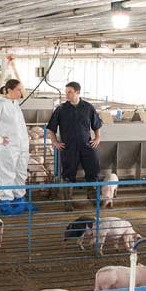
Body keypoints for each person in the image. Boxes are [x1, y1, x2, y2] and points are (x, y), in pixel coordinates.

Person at [0, 79, 36, 216]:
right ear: (9, 90)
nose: (21, 92)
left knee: (21, 173)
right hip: (7, 147)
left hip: (21, 146)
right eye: (18, 90)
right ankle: (5, 205)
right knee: (7, 174)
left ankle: (20, 200)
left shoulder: (15, 104)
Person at [46, 81, 103, 211]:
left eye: (70, 92)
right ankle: (67, 202)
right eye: (66, 92)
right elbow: (51, 128)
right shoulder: (61, 109)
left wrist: (97, 138)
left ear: (78, 92)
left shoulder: (88, 107)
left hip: (86, 146)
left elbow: (96, 125)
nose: (67, 94)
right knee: (68, 174)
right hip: (68, 147)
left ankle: (93, 198)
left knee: (93, 169)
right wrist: (55, 142)